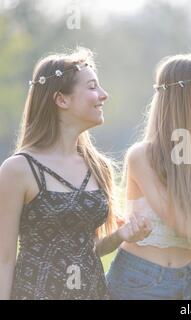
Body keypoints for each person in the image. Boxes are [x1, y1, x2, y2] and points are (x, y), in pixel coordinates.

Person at [0, 47, 150, 300]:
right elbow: (3, 260)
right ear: (61, 99)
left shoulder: (98, 166)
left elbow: (87, 249)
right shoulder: (19, 169)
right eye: (92, 87)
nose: (104, 95)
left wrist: (121, 235)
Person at [105, 53, 191, 299]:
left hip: (187, 280)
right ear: (177, 99)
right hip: (140, 281)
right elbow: (189, 227)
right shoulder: (142, 156)